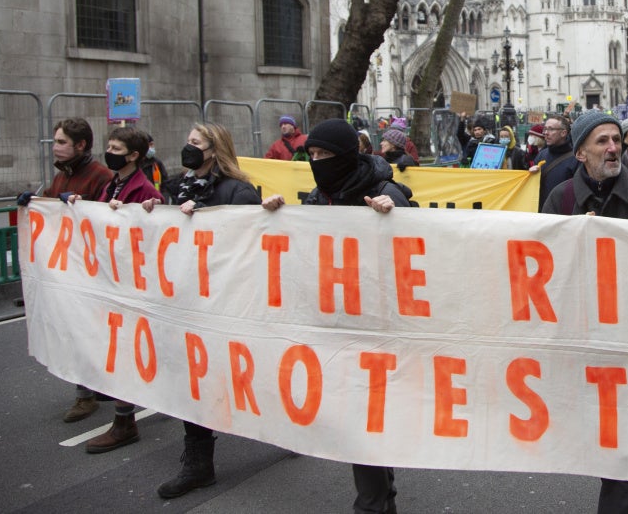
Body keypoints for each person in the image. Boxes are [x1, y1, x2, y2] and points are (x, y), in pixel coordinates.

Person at [261, 118, 407, 514]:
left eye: (326, 154)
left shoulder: (384, 192)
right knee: (357, 415)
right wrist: (276, 216)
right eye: (313, 155)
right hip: (334, 322)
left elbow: (416, 251)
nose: (318, 162)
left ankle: (373, 504)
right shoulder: (315, 198)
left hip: (377, 325)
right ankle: (380, 494)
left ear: (347, 155)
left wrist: (394, 217)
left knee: (365, 414)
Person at [541, 109, 628, 514]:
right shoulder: (560, 198)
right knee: (602, 438)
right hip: (585, 338)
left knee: (622, 443)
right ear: (580, 152)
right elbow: (543, 270)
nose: (614, 147)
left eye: (617, 139)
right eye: (602, 141)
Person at [151, 122, 262, 499]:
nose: (188, 147)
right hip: (188, 299)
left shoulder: (238, 191)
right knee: (193, 377)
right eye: (187, 141)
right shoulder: (176, 188)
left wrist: (204, 217)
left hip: (225, 301)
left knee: (246, 374)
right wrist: (152, 212)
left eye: (195, 143)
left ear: (215, 150)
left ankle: (285, 428)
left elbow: (245, 246)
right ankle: (198, 465)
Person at [68, 126, 164, 453]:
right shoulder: (112, 184)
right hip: (111, 279)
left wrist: (144, 214)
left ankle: (125, 422)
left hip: (131, 284)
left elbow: (152, 237)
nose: (108, 151)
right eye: (108, 145)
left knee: (125, 350)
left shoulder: (145, 190)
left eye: (115, 146)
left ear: (133, 155)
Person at [21, 118, 115, 423]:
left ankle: (92, 392)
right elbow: (52, 209)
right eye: (55, 142)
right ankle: (88, 389)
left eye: (61, 142)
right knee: (76, 329)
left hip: (94, 269)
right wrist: (35, 203)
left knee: (95, 331)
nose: (56, 148)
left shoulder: (100, 176)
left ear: (81, 145)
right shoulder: (61, 177)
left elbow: (105, 216)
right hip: (70, 268)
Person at [530, 114, 578, 210]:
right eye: (545, 129)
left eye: (551, 129)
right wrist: (531, 175)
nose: (546, 133)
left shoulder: (576, 158)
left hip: (564, 214)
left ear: (563, 133)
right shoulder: (541, 155)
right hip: (542, 212)